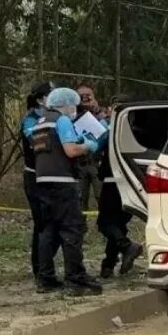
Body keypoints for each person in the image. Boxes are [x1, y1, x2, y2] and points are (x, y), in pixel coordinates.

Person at [30, 87, 104, 296]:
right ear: (67, 104)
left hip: (42, 181)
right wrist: (88, 146)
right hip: (63, 182)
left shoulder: (40, 122)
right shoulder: (62, 120)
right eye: (74, 105)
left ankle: (45, 278)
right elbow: (70, 150)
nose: (75, 110)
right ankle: (76, 278)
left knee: (48, 231)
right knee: (72, 229)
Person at [96, 95, 142, 279]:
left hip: (112, 183)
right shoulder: (139, 131)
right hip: (131, 184)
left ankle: (127, 247)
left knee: (105, 223)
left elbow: (96, 148)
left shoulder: (113, 131)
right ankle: (109, 264)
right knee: (118, 225)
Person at [21, 81, 53, 280]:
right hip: (35, 175)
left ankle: (46, 264)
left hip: (51, 176)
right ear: (41, 99)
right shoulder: (30, 119)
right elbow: (37, 141)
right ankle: (40, 269)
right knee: (42, 223)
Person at [75, 84, 104, 211]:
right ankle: (79, 228)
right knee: (79, 199)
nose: (85, 98)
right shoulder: (70, 115)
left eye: (88, 95)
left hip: (97, 164)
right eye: (81, 96)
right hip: (79, 164)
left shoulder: (102, 114)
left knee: (102, 196)